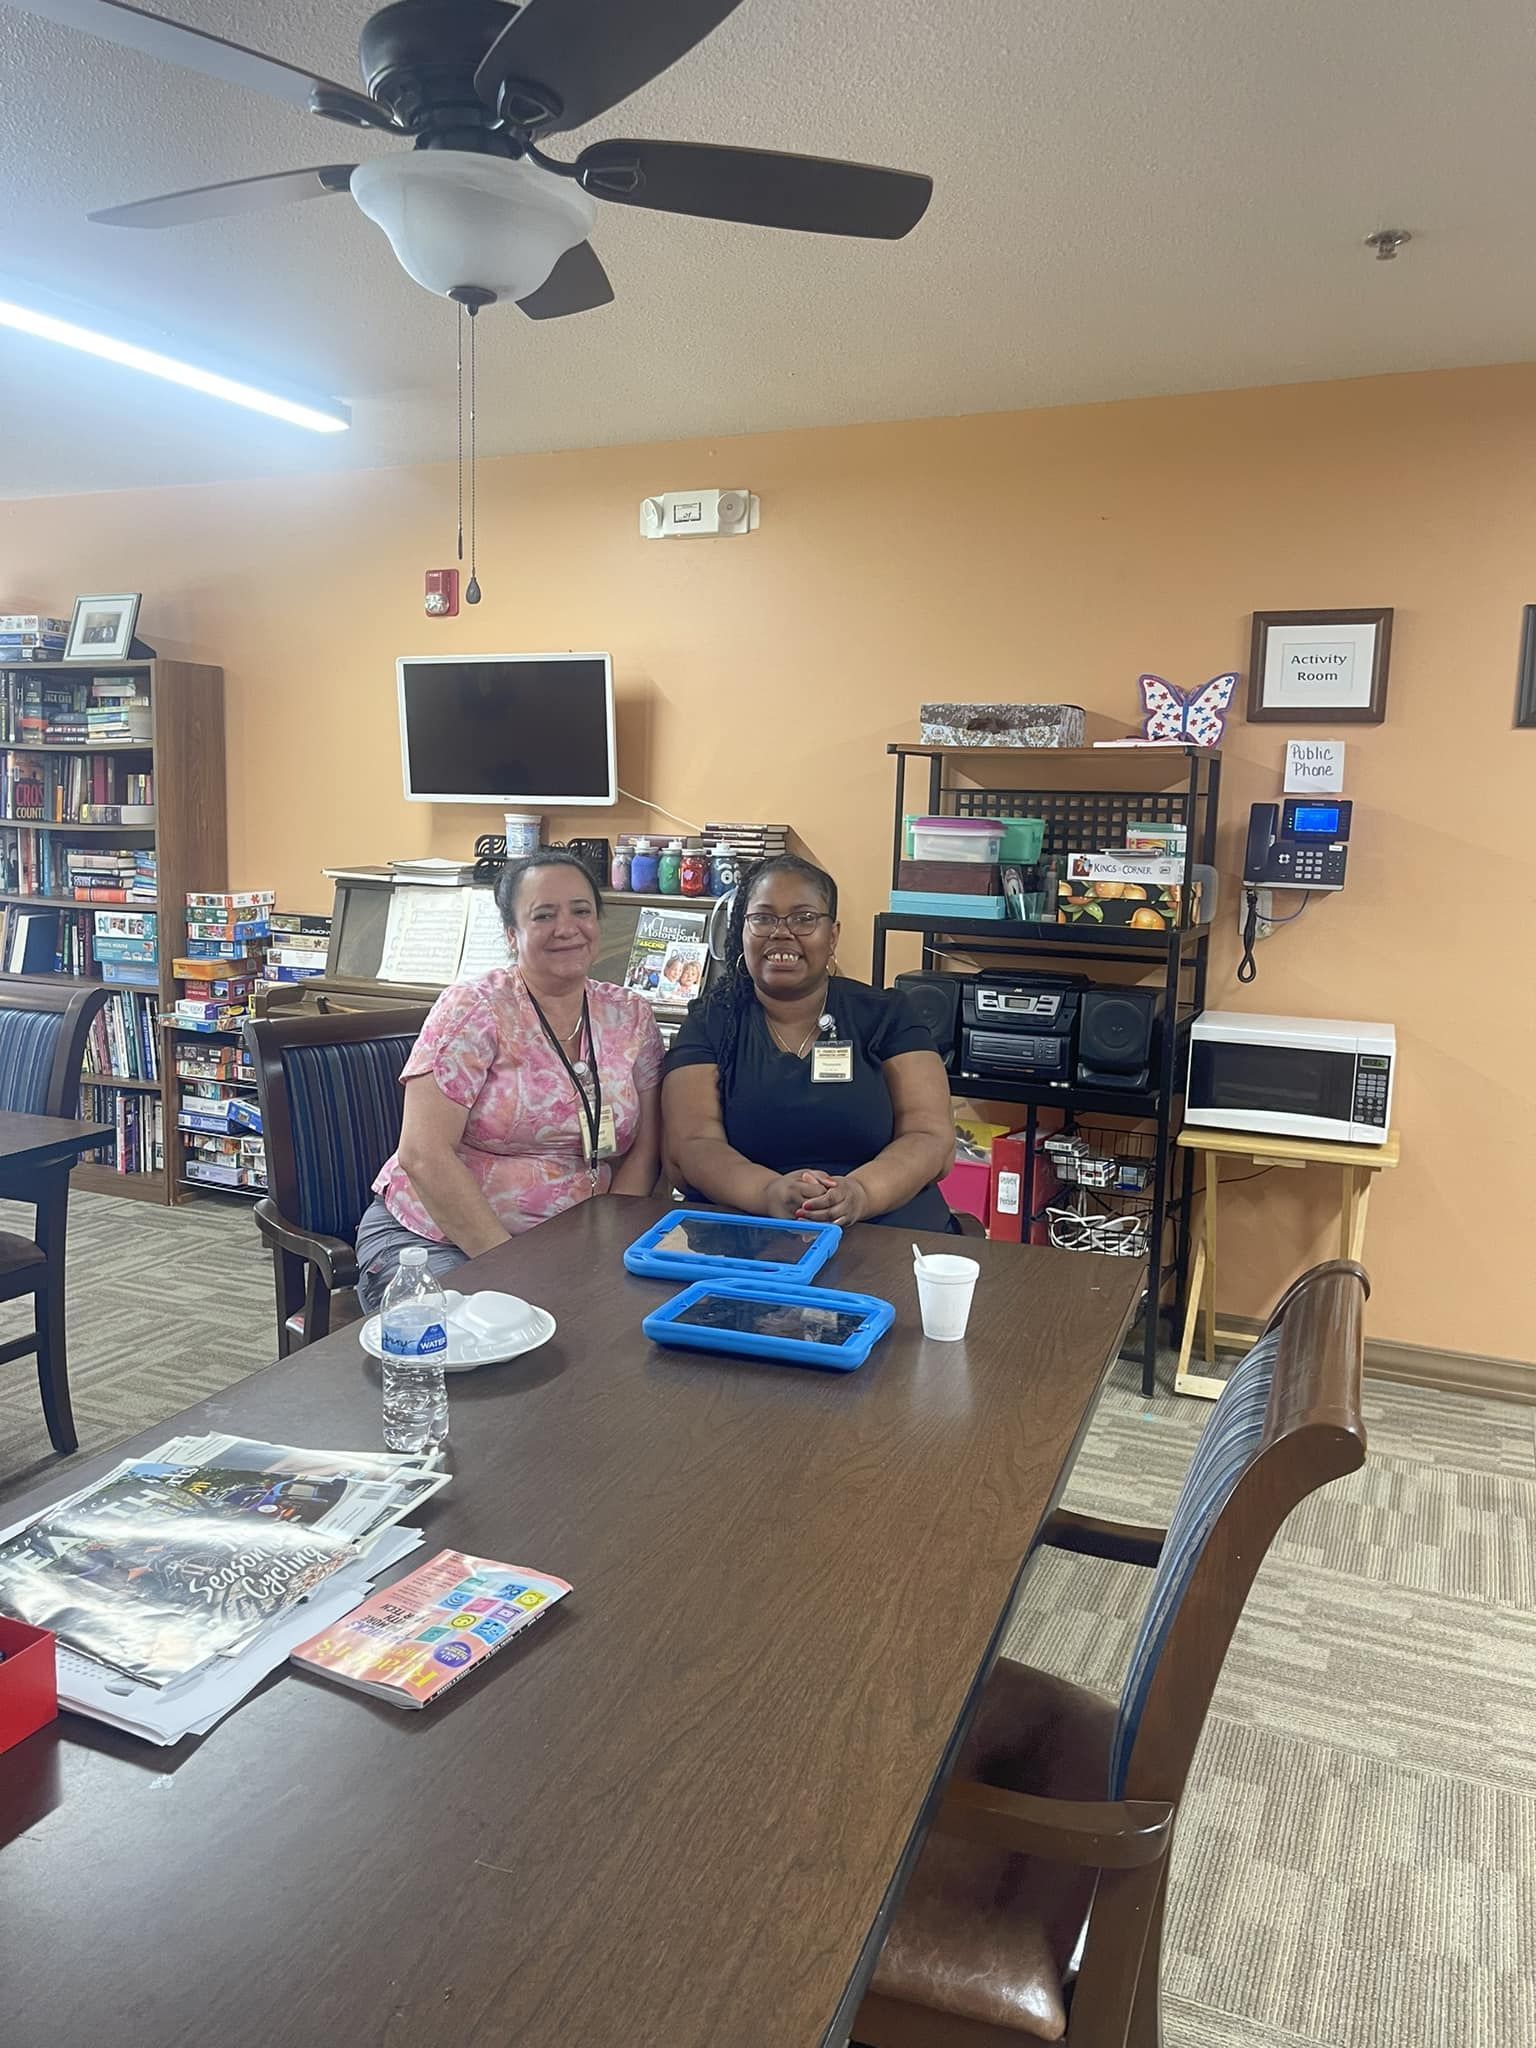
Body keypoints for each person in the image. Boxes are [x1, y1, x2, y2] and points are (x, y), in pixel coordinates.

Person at [354, 851, 664, 1312]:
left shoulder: (630, 1014)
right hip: (441, 1240)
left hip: (574, 1246)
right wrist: (512, 1272)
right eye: (544, 915)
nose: (567, 928)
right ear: (510, 934)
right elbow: (422, 1154)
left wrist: (607, 1242)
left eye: (581, 911)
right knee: (493, 1338)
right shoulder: (475, 1008)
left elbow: (647, 1146)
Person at [662, 855, 956, 1230]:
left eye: (804, 918)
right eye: (764, 918)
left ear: (832, 935)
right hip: (747, 1230)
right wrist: (768, 1192)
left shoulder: (888, 1014)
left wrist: (860, 1193)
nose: (781, 932)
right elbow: (691, 1145)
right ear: (742, 930)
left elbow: (930, 1136)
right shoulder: (710, 1022)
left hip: (887, 1228)